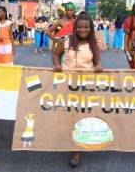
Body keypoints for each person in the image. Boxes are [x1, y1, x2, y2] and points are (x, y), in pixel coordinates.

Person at [52, 12, 102, 167]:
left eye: (86, 27)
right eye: (80, 27)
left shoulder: (93, 44)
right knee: (67, 116)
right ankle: (66, 140)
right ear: (75, 28)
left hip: (85, 88)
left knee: (80, 118)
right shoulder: (66, 41)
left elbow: (97, 61)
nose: (83, 30)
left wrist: (98, 66)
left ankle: (75, 150)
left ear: (91, 29)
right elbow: (56, 54)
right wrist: (57, 64)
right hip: (66, 86)